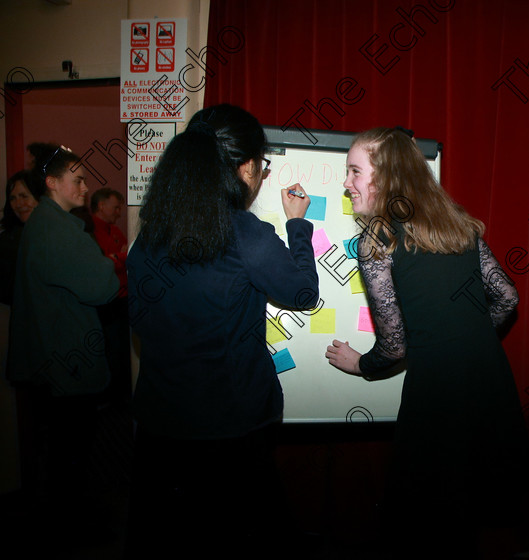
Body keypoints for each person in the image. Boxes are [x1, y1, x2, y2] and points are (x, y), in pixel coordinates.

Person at [125, 104, 319, 558]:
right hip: (230, 431)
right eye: (263, 167)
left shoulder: (151, 232)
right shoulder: (246, 234)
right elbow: (302, 292)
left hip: (160, 425)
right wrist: (297, 225)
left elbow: (140, 320)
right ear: (248, 167)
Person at [325, 127, 529, 559]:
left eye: (354, 171)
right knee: (471, 520)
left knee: (424, 527)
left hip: (438, 395)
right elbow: (508, 297)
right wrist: (465, 339)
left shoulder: (377, 238)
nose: (347, 183)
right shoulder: (455, 224)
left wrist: (360, 364)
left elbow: (394, 345)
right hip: (489, 382)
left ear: (386, 176)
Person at [6, 143, 119, 538]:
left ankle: (65, 520)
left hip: (55, 358)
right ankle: (70, 527)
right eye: (78, 179)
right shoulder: (57, 229)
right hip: (67, 361)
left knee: (63, 450)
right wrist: (105, 264)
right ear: (52, 183)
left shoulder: (46, 224)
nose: (86, 187)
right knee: (71, 451)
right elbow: (103, 287)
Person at [89, 188, 130, 404]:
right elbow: (101, 266)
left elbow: (125, 256)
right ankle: (109, 400)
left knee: (123, 350)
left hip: (123, 301)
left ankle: (120, 398)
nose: (119, 213)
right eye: (115, 207)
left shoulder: (114, 231)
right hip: (107, 304)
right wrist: (118, 257)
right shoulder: (90, 233)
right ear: (101, 206)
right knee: (111, 351)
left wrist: (117, 257)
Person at [0, 170, 38, 304]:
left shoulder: (56, 233)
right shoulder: (9, 240)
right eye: (13, 198)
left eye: (24, 196)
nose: (19, 204)